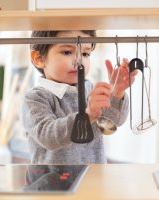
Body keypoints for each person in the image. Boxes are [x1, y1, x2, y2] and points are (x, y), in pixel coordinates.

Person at [21, 30, 137, 164]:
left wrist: (117, 93)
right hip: (53, 182)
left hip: (94, 177)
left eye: (85, 53)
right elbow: (48, 136)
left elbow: (112, 121)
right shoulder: (35, 98)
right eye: (67, 52)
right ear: (39, 59)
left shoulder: (90, 90)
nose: (79, 61)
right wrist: (87, 116)